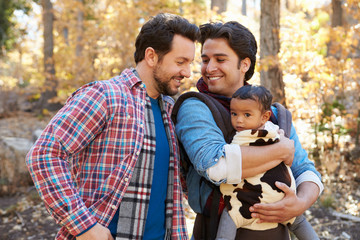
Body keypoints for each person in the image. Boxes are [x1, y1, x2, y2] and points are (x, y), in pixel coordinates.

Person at [26, 13, 199, 240]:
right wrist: (84, 226)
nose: (187, 73)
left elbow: (183, 182)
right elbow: (44, 154)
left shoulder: (170, 109)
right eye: (180, 62)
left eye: (189, 63)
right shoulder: (106, 95)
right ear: (151, 56)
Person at [172, 21, 323, 239]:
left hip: (276, 230)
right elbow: (215, 166)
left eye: (220, 59)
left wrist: (299, 203)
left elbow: (306, 171)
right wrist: (281, 151)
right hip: (218, 228)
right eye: (205, 60)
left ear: (244, 64)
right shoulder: (195, 106)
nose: (209, 68)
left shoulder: (273, 113)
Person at [216, 85, 319, 240]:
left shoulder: (240, 139)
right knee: (298, 221)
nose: (239, 120)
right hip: (272, 201)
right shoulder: (279, 134)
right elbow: (289, 159)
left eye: (247, 115)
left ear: (264, 117)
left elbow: (223, 165)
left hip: (254, 202)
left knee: (229, 215)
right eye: (234, 113)